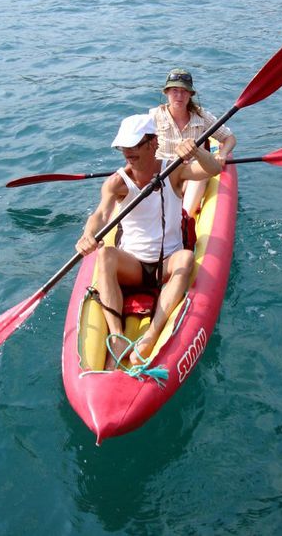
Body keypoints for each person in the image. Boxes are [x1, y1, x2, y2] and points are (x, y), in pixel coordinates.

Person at [75, 114, 221, 368]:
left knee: (186, 258)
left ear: (153, 142)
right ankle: (118, 336)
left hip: (167, 263)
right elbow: (99, 215)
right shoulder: (117, 183)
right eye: (123, 147)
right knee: (106, 255)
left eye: (134, 146)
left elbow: (213, 169)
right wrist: (88, 235)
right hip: (132, 265)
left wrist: (196, 151)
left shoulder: (173, 171)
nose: (127, 153)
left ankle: (151, 335)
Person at [149, 68, 236, 215]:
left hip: (193, 174)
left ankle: (185, 218)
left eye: (184, 91)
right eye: (175, 90)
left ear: (190, 94)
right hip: (166, 174)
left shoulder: (200, 115)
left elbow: (229, 138)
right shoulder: (154, 116)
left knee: (199, 176)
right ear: (167, 92)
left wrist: (222, 153)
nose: (179, 96)